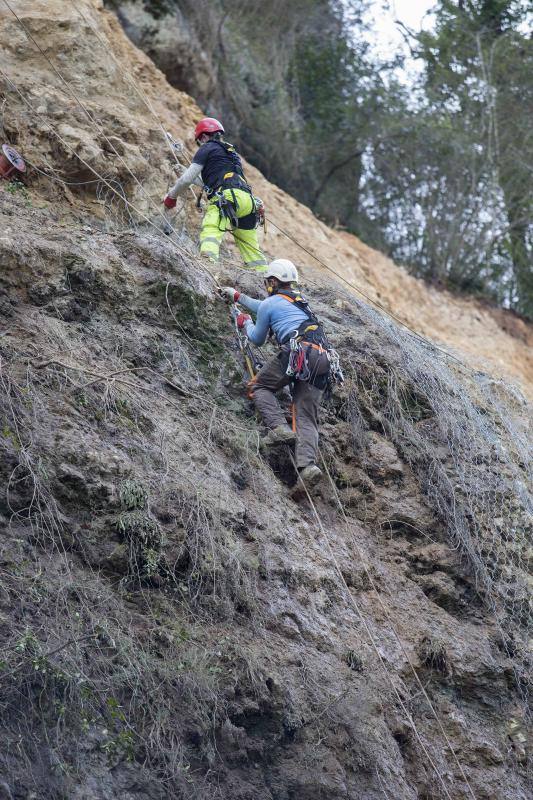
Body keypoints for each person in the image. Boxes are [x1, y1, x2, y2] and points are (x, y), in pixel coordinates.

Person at [220, 258, 331, 489]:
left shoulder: (272, 303)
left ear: (272, 281)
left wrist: (245, 322)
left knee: (260, 387)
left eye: (267, 282)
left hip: (298, 353)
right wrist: (237, 297)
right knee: (305, 416)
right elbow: (262, 305)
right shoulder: (300, 301)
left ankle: (279, 429)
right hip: (322, 358)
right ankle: (308, 468)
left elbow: (257, 339)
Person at [163, 117, 267, 272]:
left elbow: (186, 180)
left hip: (226, 199)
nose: (200, 144)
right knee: (251, 249)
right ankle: (264, 279)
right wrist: (186, 173)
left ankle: (208, 270)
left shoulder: (207, 148)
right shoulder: (231, 153)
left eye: (199, 141)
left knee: (211, 232)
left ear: (203, 136)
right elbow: (212, 181)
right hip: (248, 201)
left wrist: (171, 196)